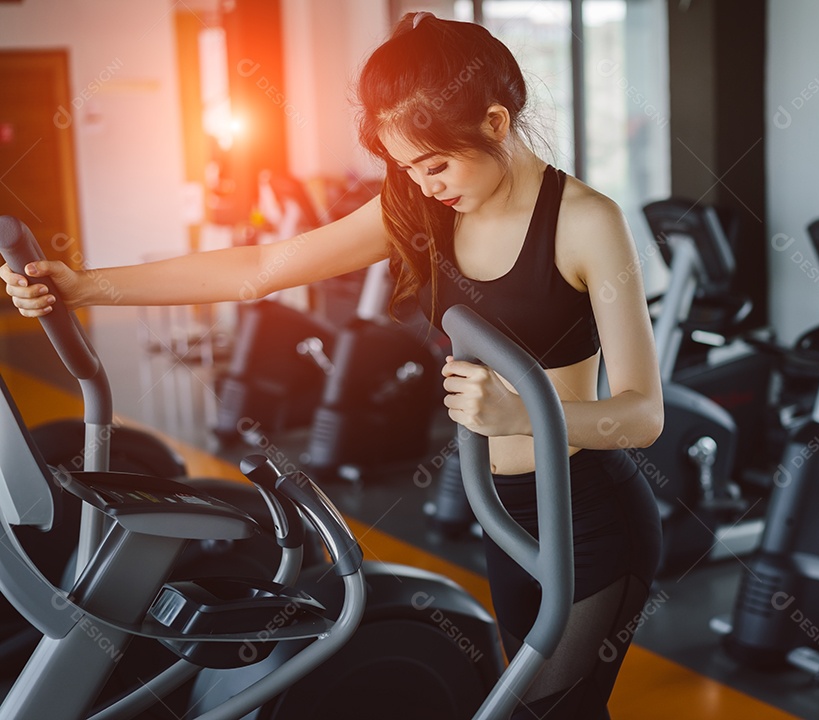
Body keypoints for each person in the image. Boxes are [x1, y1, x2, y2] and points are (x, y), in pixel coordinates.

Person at [3, 12, 663, 719]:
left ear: (497, 123)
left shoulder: (586, 222)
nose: (421, 183)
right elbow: (260, 268)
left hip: (591, 517)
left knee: (544, 712)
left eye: (434, 163)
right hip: (505, 514)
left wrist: (518, 413)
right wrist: (84, 284)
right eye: (406, 166)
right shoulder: (421, 206)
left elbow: (642, 414)